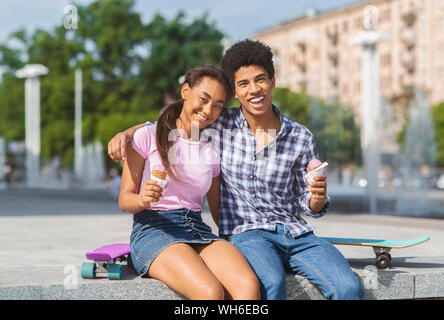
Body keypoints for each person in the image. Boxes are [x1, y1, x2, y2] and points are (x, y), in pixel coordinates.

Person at [109, 40, 363, 300]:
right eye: (243, 84)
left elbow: (306, 202)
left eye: (261, 80)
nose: (254, 90)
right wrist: (128, 134)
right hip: (215, 231)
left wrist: (317, 200)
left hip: (282, 231)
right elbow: (170, 126)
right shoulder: (216, 126)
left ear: (273, 81)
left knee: (342, 288)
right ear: (236, 91)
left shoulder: (295, 136)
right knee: (245, 288)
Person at [118, 65, 260, 300]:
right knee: (210, 292)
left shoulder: (212, 149)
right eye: (203, 99)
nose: (208, 110)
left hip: (196, 228)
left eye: (217, 105)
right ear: (185, 91)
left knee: (248, 287)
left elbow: (217, 209)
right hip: (153, 228)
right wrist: (143, 198)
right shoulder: (146, 136)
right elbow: (125, 199)